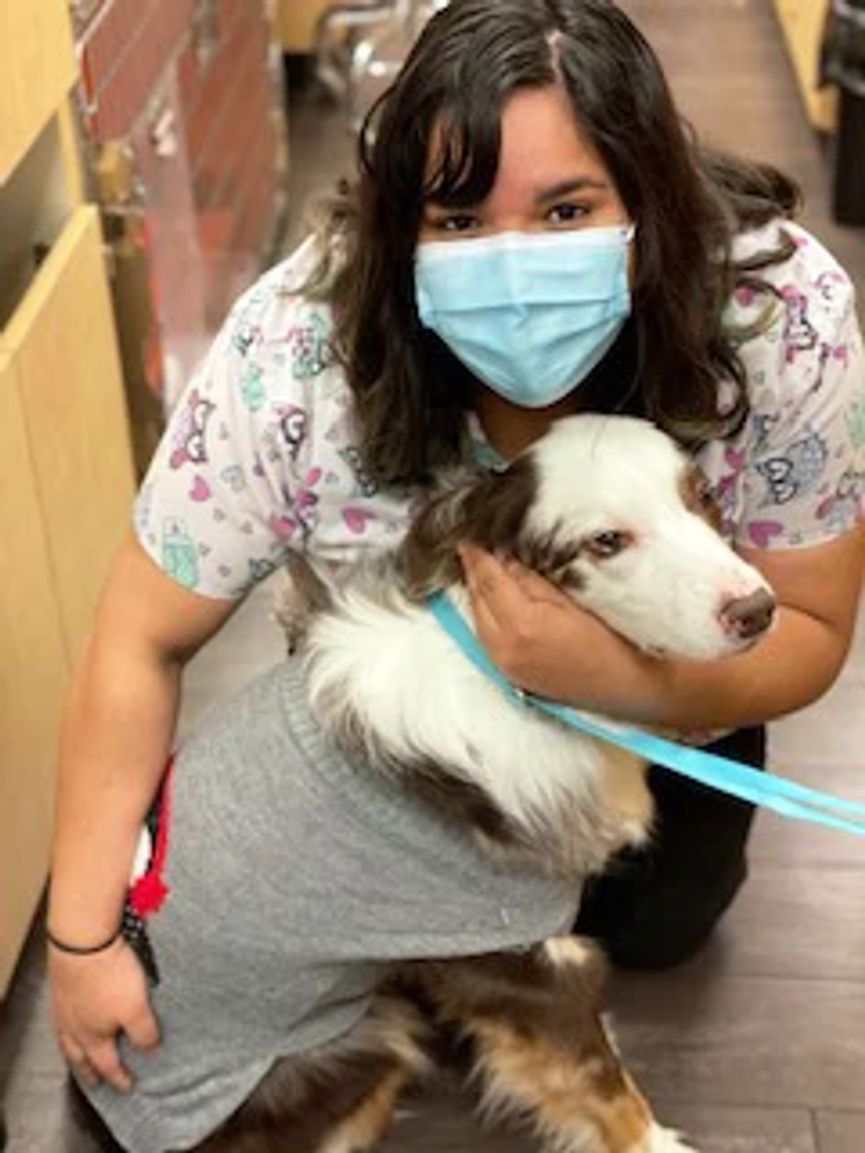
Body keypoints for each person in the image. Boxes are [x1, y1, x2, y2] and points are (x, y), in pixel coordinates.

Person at [49, 0, 864, 1101]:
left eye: (568, 206)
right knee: (375, 938)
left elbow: (811, 626)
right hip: (398, 741)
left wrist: (602, 681)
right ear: (399, 230)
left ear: (651, 202)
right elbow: (140, 639)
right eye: (459, 219)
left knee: (663, 920)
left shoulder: (775, 314)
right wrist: (82, 937)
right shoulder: (293, 349)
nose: (515, 261)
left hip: (678, 692)